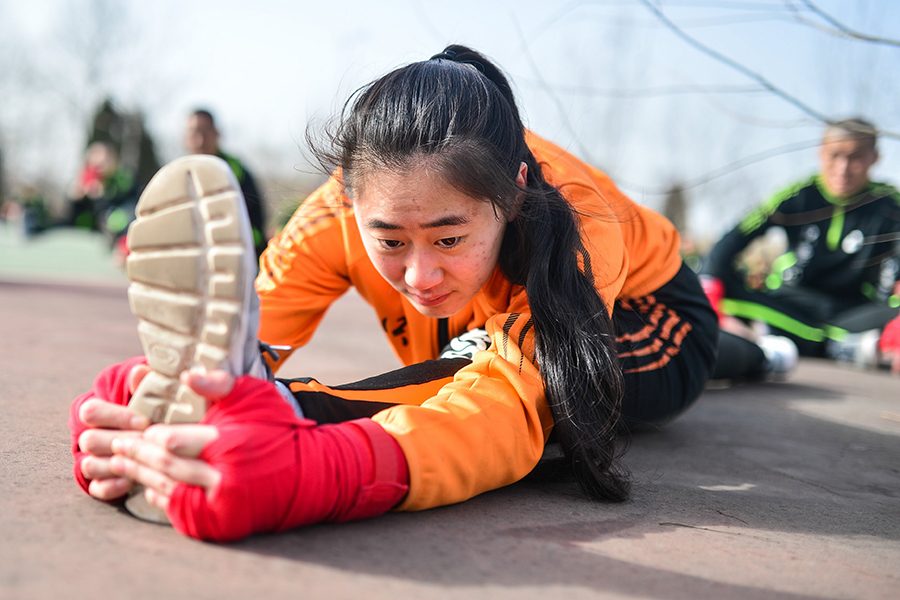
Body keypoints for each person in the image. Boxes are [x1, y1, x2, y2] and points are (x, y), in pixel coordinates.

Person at [68, 46, 719, 543]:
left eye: (448, 238)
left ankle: (739, 349)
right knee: (465, 350)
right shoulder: (334, 216)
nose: (418, 277)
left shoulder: (582, 220)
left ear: (515, 191)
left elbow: (503, 409)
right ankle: (761, 351)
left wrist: (315, 466)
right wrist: (154, 413)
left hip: (651, 321)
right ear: (351, 199)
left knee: (490, 368)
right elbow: (244, 336)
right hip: (473, 328)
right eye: (389, 242)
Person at [702, 119, 900, 380]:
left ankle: (810, 344)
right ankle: (842, 348)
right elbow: (734, 238)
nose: (843, 168)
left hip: (853, 311)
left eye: (855, 158)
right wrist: (709, 288)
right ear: (821, 152)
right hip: (791, 304)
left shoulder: (889, 204)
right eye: (835, 156)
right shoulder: (798, 194)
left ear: (874, 158)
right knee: (714, 280)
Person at [185, 108, 268, 257]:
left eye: (206, 132)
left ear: (217, 133)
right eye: (195, 133)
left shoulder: (235, 170)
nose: (201, 141)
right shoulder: (178, 173)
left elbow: (256, 220)